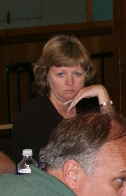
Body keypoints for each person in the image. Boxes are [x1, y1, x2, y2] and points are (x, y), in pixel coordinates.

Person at [10, 34, 116, 163]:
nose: (70, 82)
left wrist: (102, 94)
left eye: (77, 74)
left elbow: (117, 143)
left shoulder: (88, 107)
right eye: (61, 74)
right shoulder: (34, 115)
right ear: (46, 76)